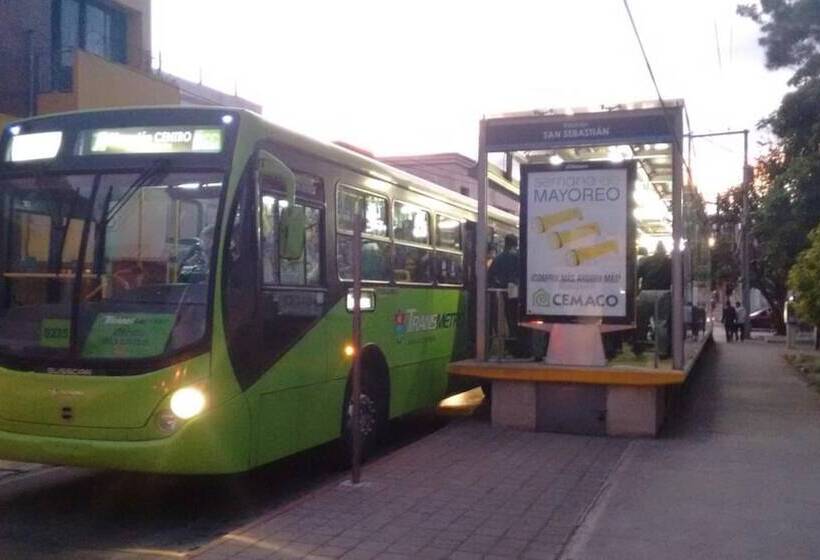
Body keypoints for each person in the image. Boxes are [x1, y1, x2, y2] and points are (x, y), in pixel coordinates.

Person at [488, 234, 525, 356]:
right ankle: (520, 347)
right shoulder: (519, 257)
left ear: (505, 243)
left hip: (503, 293)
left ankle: (510, 347)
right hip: (519, 293)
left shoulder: (498, 258)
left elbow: (490, 275)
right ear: (516, 243)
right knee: (519, 319)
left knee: (509, 319)